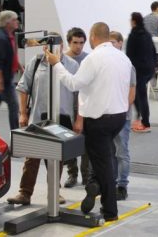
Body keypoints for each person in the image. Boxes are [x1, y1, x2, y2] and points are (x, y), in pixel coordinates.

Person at [45, 22, 133, 222]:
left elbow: (73, 84)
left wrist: (56, 64)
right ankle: (94, 184)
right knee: (105, 156)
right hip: (119, 117)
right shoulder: (123, 58)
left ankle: (110, 210)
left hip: (99, 121)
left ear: (93, 36)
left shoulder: (93, 59)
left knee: (103, 165)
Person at [7, 34, 79, 206]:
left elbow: (79, 94)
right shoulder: (36, 62)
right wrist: (22, 113)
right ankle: (25, 193)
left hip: (61, 119)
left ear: (62, 47)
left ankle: (54, 192)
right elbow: (23, 88)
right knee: (32, 156)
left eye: (56, 45)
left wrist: (78, 119)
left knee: (56, 158)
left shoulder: (72, 65)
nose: (52, 49)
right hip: (38, 117)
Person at [109, 31, 136, 201]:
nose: (111, 45)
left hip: (122, 116)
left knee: (121, 151)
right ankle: (111, 181)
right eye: (109, 42)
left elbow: (131, 94)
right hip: (107, 115)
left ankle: (122, 185)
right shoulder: (108, 64)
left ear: (120, 43)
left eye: (114, 42)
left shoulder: (127, 65)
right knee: (110, 151)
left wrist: (121, 112)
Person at [64, 27, 90, 188]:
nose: (78, 46)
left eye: (81, 43)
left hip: (85, 107)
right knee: (69, 143)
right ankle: (72, 174)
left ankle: (86, 175)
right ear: (69, 42)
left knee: (86, 143)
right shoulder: (63, 61)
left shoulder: (88, 59)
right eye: (75, 43)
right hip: (67, 106)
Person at [126, 12, 156, 133]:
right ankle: (140, 117)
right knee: (139, 93)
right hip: (149, 69)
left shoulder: (133, 35)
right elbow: (153, 50)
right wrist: (155, 64)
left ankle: (145, 122)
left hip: (138, 70)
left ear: (133, 21)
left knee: (140, 95)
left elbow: (129, 54)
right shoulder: (147, 34)